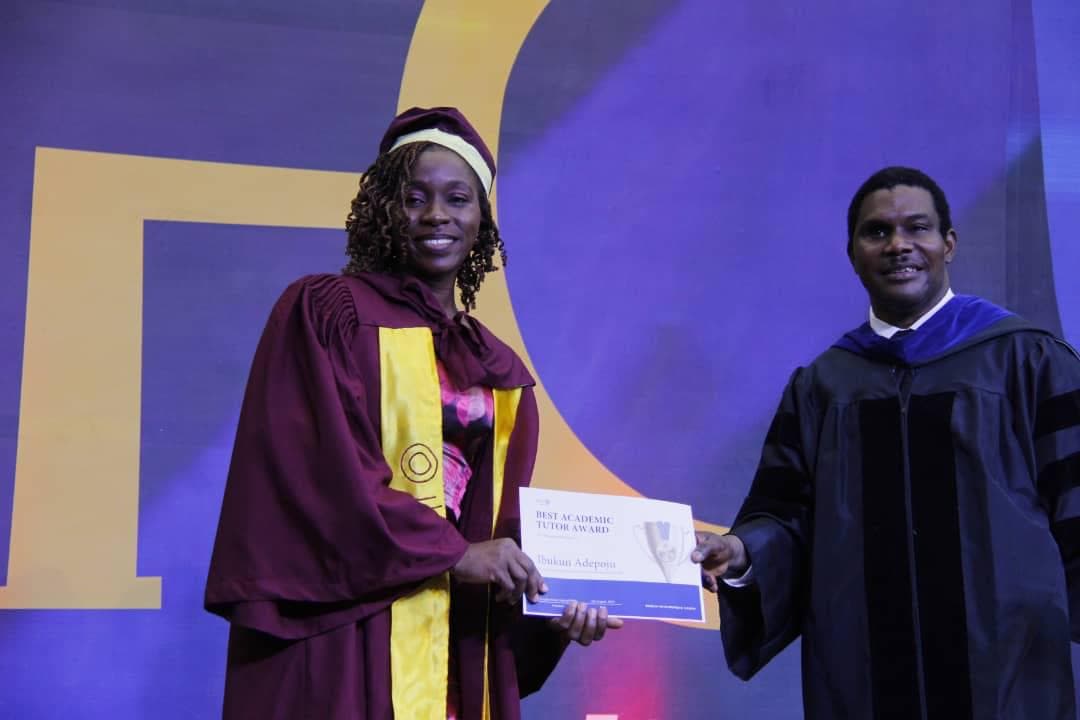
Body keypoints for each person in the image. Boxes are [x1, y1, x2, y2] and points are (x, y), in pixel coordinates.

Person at [204, 106, 620, 720]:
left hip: (447, 647)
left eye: (458, 198)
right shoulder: (327, 313)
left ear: (481, 220)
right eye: (414, 197)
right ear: (383, 209)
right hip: (345, 630)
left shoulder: (498, 368)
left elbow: (494, 532)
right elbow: (314, 474)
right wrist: (454, 554)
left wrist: (553, 606)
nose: (436, 216)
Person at [693, 166, 1080, 719]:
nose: (898, 245)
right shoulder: (824, 386)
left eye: (917, 228)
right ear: (852, 254)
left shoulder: (1025, 361)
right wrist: (743, 553)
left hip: (1009, 672)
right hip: (864, 679)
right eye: (877, 232)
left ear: (948, 244)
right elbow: (785, 516)